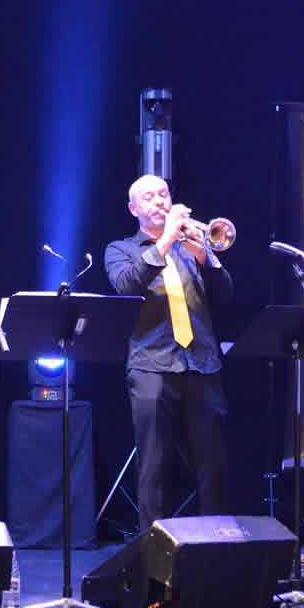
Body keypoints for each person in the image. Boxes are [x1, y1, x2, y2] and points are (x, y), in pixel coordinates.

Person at [104, 174, 233, 534]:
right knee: (154, 468)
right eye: (149, 197)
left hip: (202, 365)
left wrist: (206, 257)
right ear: (133, 209)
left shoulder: (191, 248)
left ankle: (216, 548)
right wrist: (165, 241)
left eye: (163, 194)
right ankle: (153, 553)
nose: (160, 201)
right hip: (151, 366)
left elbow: (225, 296)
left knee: (212, 467)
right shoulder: (121, 249)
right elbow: (127, 285)